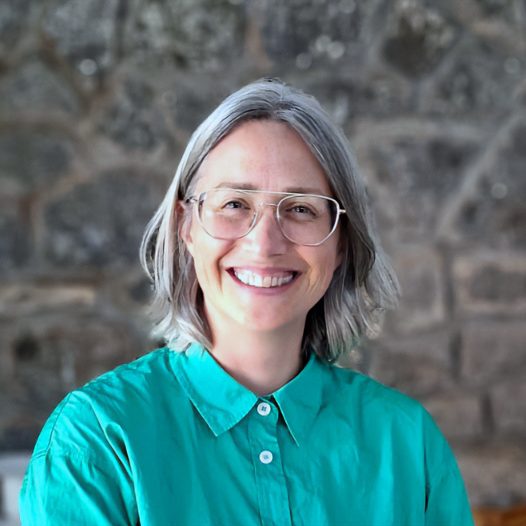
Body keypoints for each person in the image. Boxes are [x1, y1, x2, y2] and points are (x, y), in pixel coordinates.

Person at [19, 78, 474, 525]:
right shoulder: (96, 440)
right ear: (186, 226)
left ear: (340, 244)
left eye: (301, 208)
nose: (265, 242)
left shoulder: (407, 442)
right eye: (235, 204)